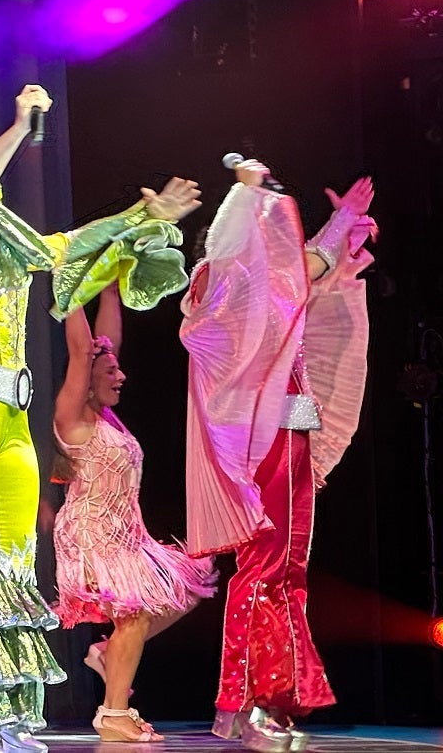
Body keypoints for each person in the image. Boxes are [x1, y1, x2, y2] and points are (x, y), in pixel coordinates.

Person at [0, 85, 200, 753]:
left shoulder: (5, 260)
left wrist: (136, 216)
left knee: (10, 567)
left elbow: (62, 248)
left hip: (9, 415)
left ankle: (3, 719)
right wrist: (16, 125)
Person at [182, 163, 374, 752]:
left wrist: (341, 229)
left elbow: (305, 270)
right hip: (263, 446)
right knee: (266, 568)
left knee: (284, 570)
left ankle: (268, 699)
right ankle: (248, 702)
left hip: (289, 439)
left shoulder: (266, 287)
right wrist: (251, 191)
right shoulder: (221, 284)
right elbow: (296, 267)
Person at [51, 286, 215, 742]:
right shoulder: (73, 418)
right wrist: (71, 291)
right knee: (136, 614)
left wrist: (110, 284)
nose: (121, 375)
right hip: (92, 530)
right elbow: (84, 350)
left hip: (128, 533)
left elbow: (105, 343)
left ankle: (108, 655)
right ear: (86, 377)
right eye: (110, 371)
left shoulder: (107, 416)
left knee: (188, 589)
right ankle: (114, 714)